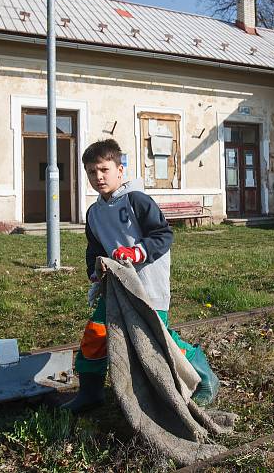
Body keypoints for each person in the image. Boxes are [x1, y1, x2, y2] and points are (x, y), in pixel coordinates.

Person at [63, 138, 219, 414]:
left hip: (148, 287)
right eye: (91, 172)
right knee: (96, 334)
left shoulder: (137, 200)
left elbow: (163, 235)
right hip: (115, 288)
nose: (98, 177)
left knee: (159, 340)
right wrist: (93, 272)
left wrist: (137, 253)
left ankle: (203, 375)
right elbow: (94, 248)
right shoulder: (94, 212)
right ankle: (91, 392)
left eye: (104, 169)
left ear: (120, 170)